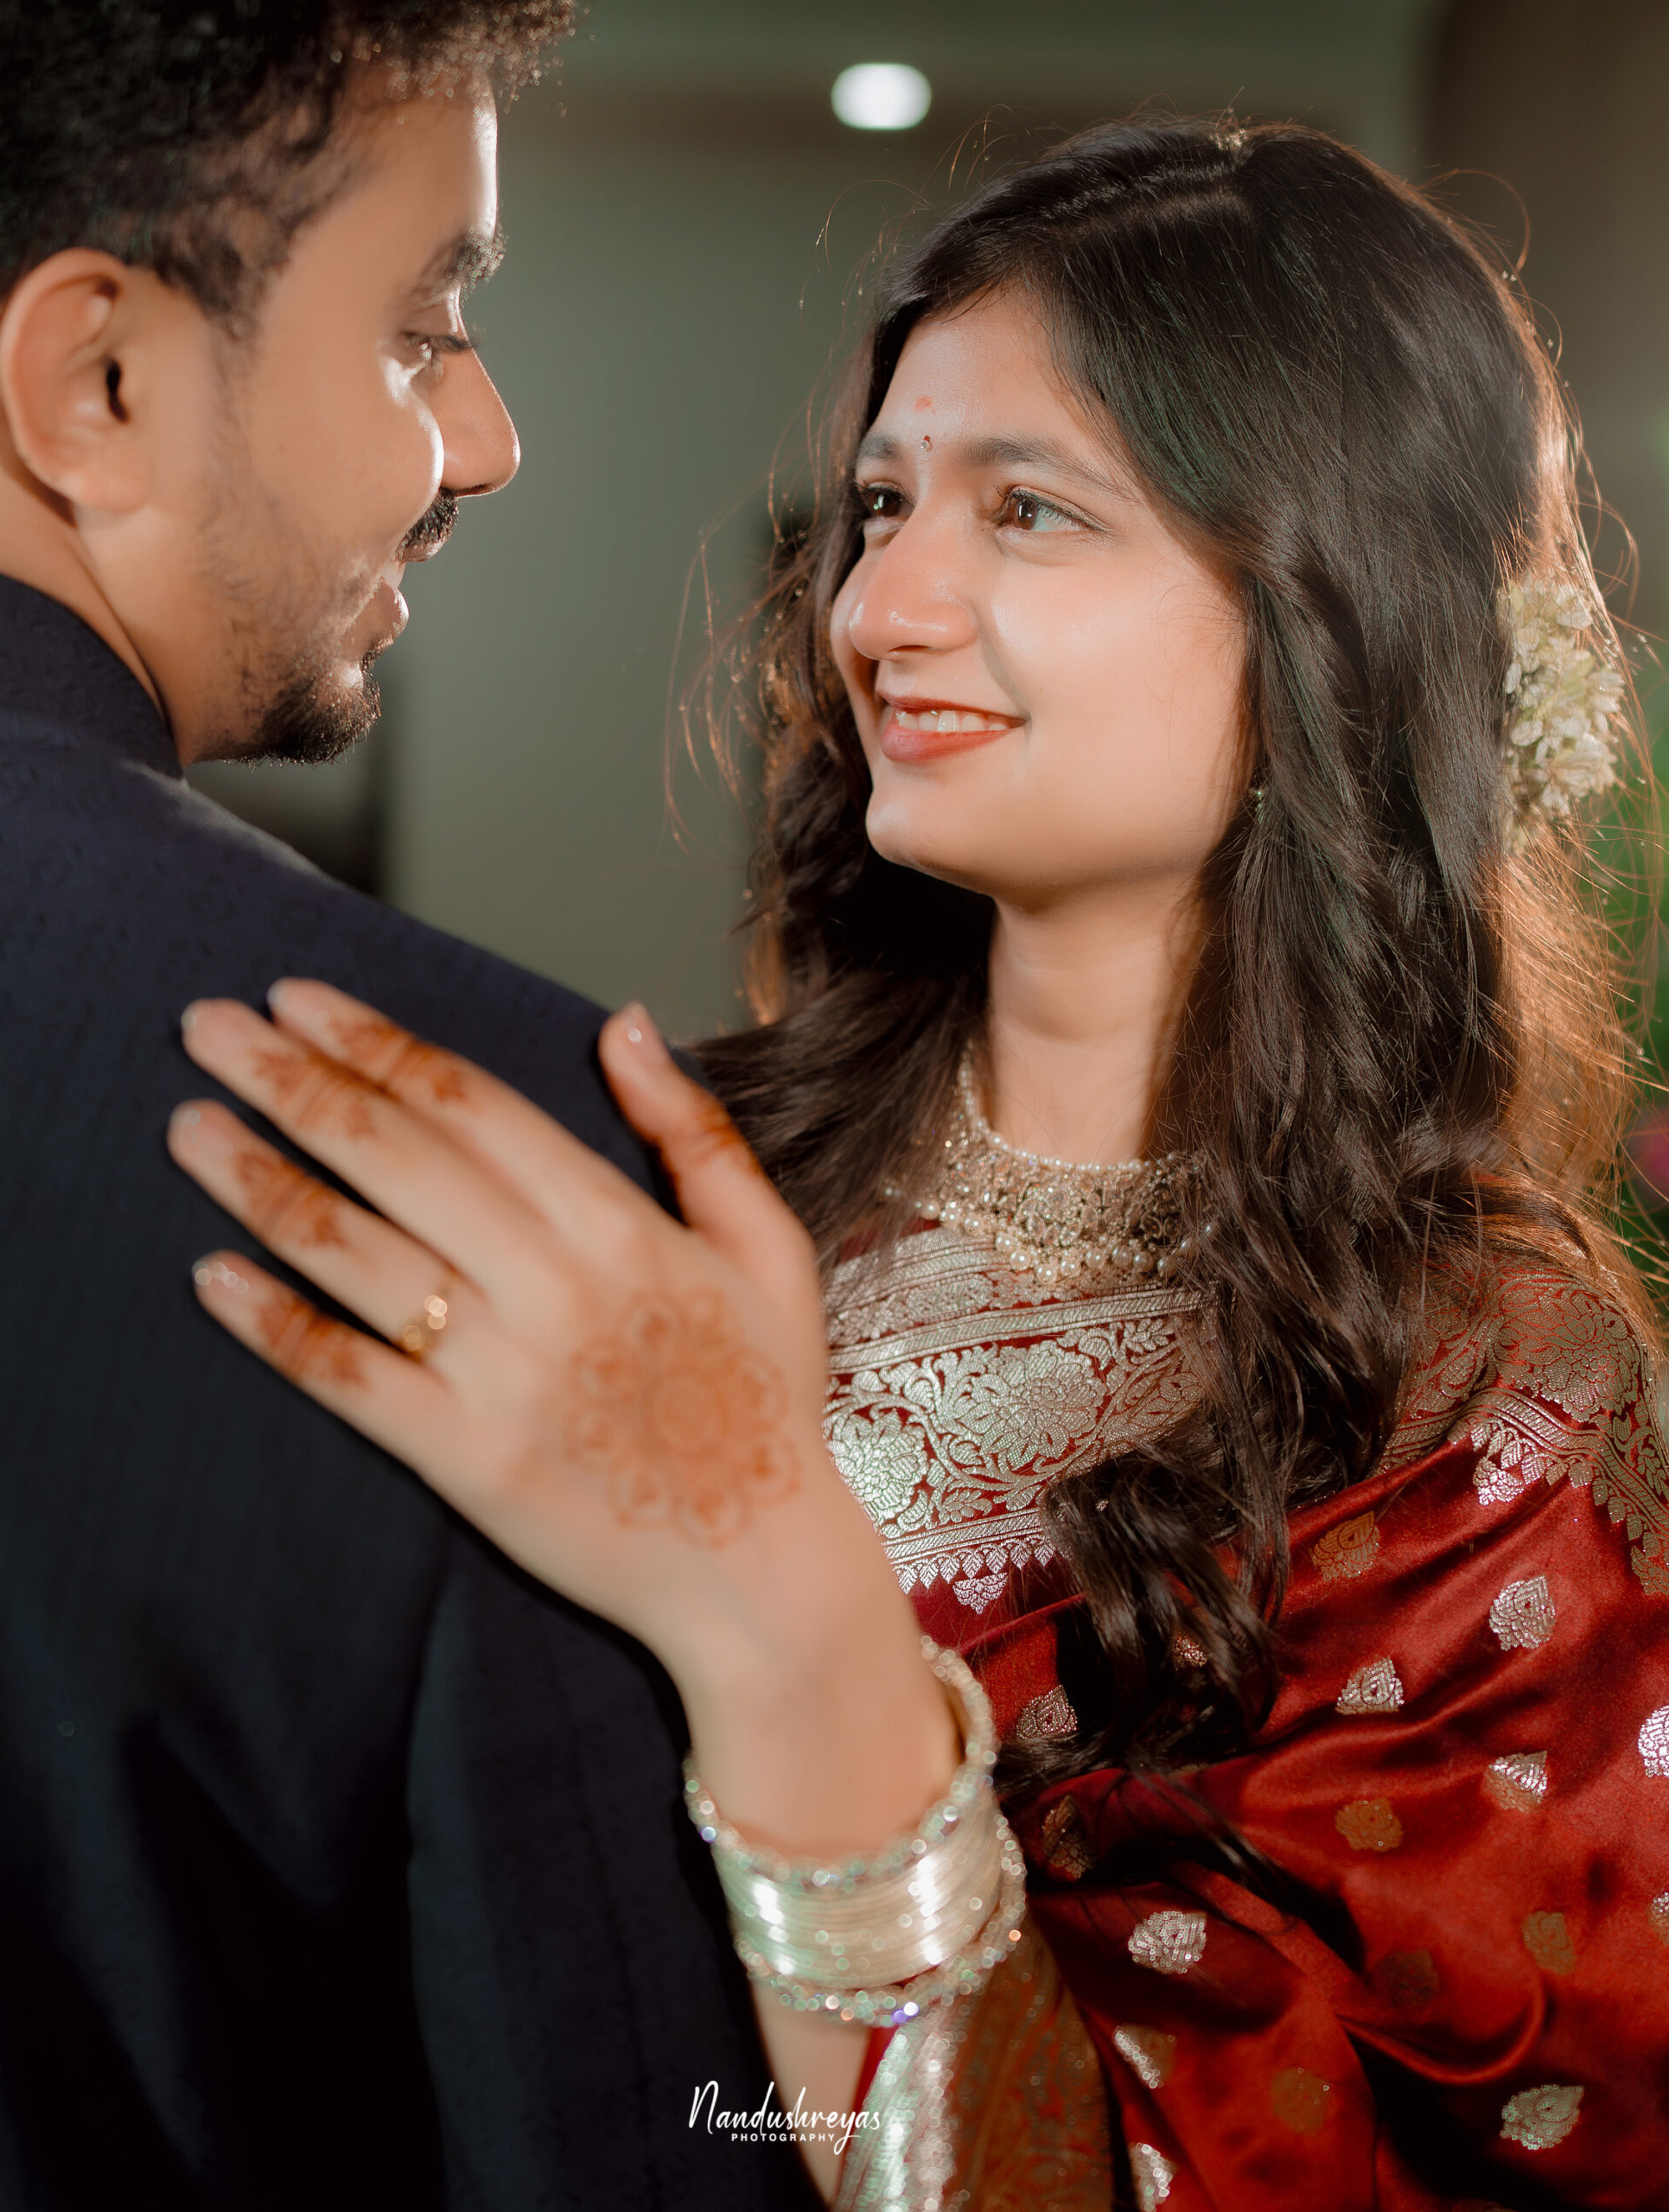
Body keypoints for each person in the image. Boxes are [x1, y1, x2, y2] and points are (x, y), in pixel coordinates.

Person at [162, 118, 1669, 2209]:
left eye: (1029, 509)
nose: (879, 605)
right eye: (882, 504)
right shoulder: (659, 1164)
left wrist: (769, 1586)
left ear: (1334, 613)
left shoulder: (1477, 1412)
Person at [0, 5, 809, 2204]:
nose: (483, 440)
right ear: (94, 381)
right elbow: (641, 2144)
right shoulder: (453, 1152)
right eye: (422, 329)